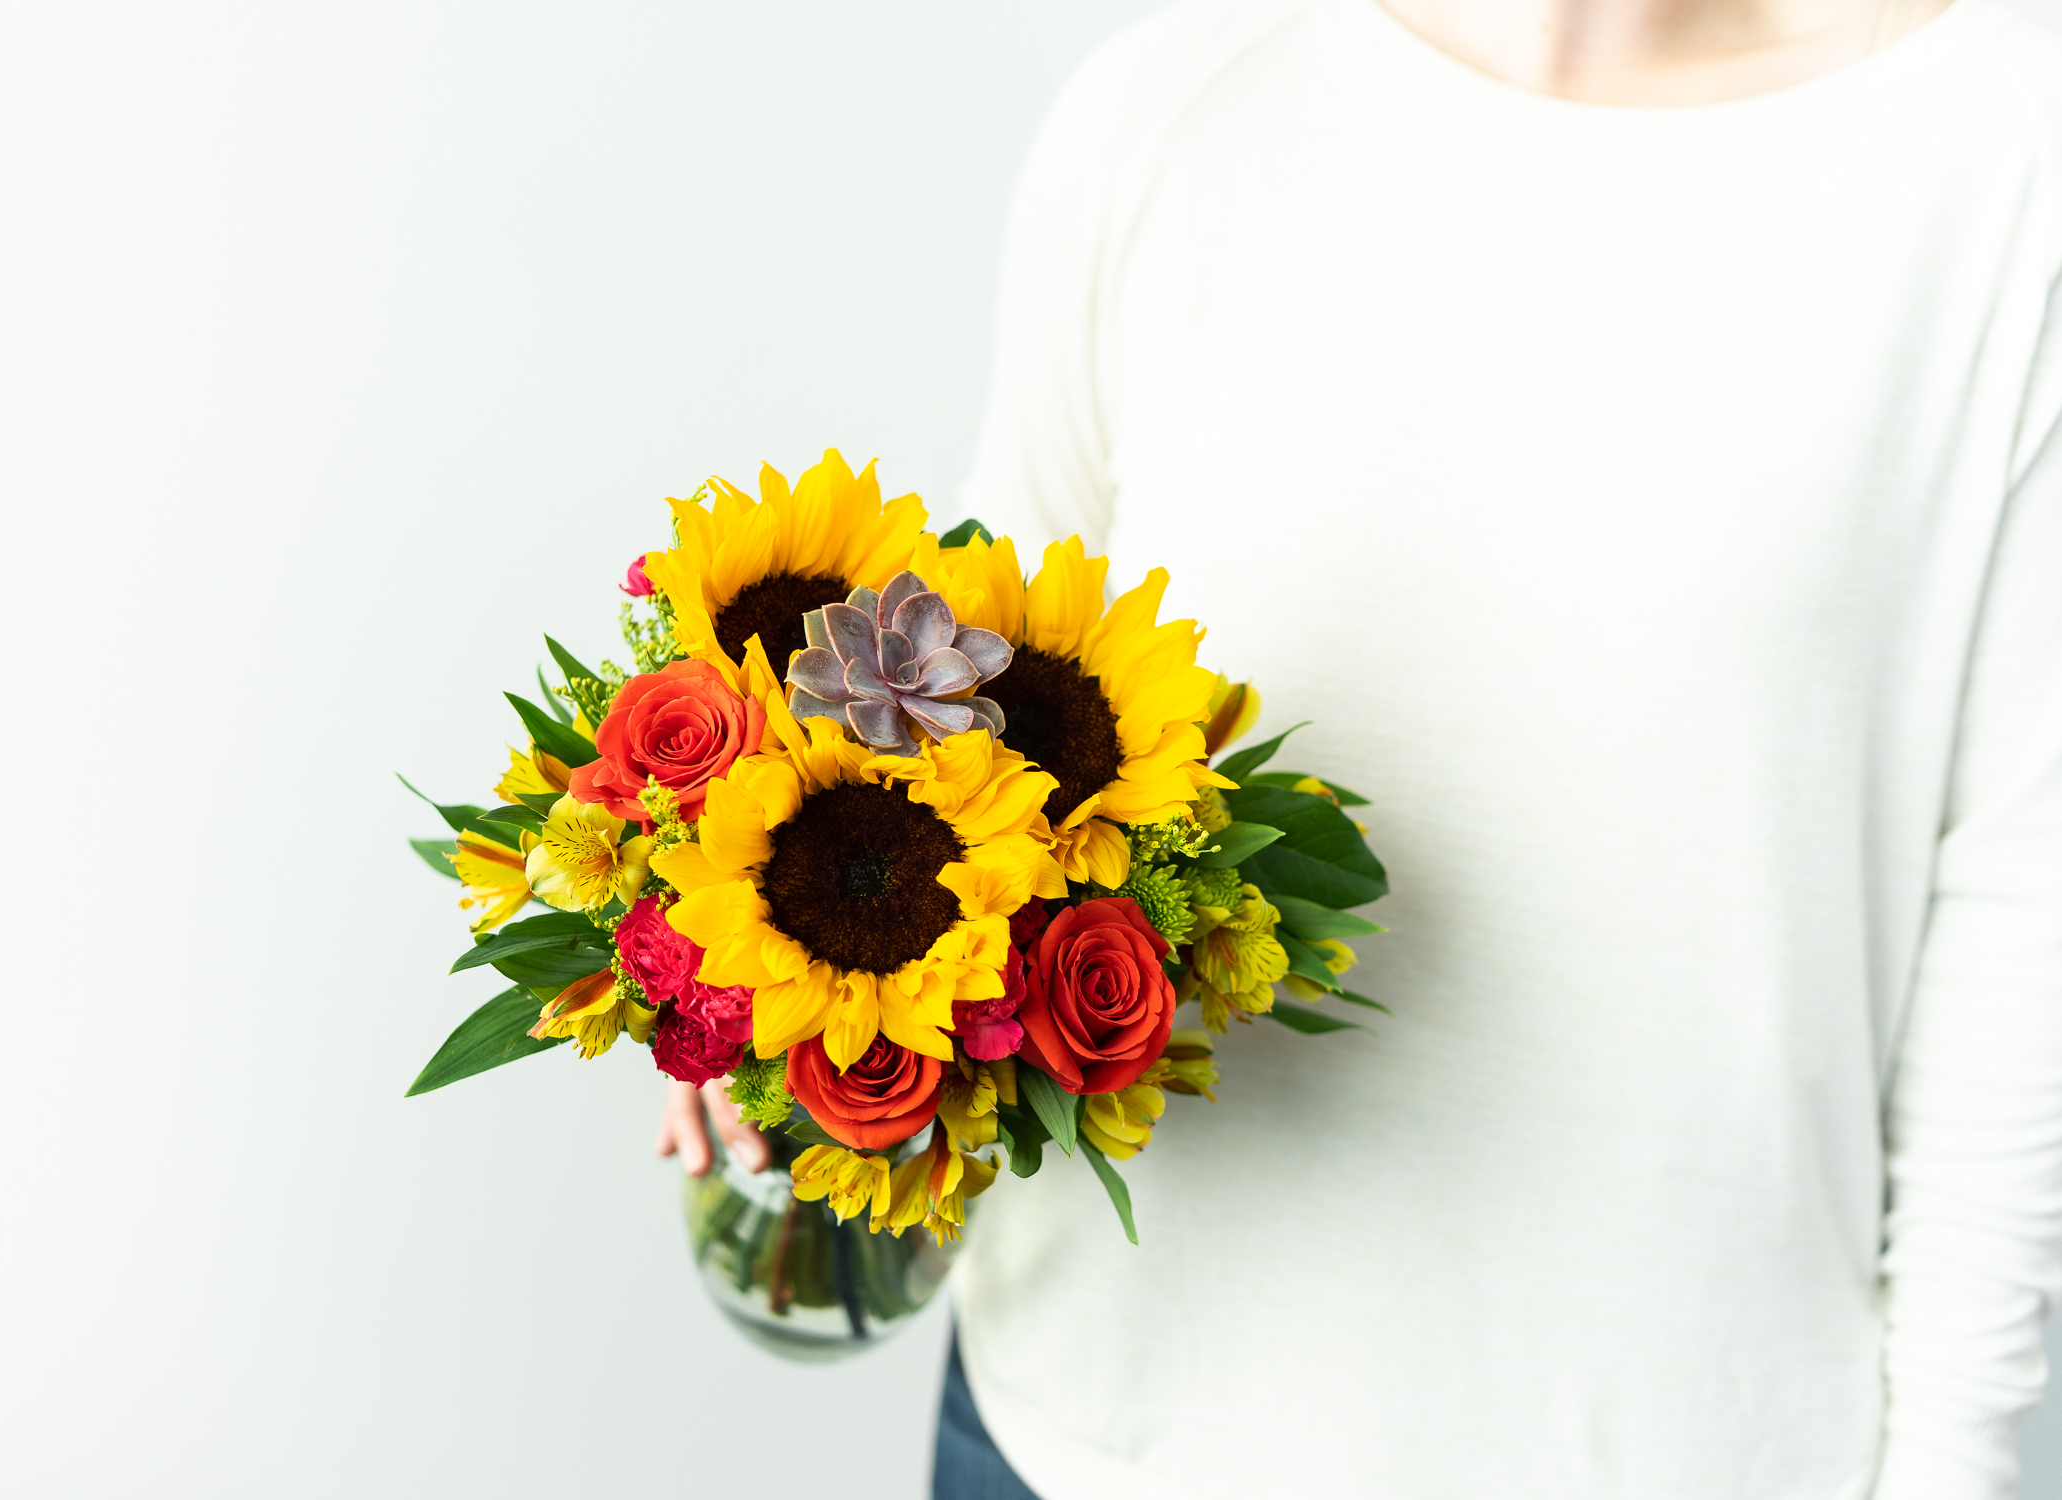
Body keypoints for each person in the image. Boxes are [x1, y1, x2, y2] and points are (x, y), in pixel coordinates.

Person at [662, 0, 2062, 1493]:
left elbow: (2017, 945)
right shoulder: (1178, 101)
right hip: (1084, 1435)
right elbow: (961, 693)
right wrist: (758, 946)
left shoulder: (1997, 169)